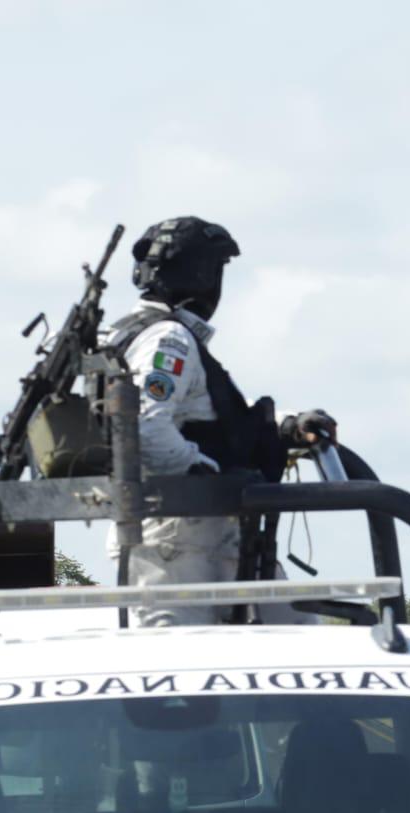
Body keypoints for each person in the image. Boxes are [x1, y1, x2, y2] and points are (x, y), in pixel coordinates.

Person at [103, 216, 337, 625]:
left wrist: (286, 426)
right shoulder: (168, 340)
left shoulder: (135, 336)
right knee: (183, 674)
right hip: (182, 543)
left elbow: (204, 410)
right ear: (202, 274)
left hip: (210, 535)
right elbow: (145, 429)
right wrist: (206, 473)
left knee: (298, 634)